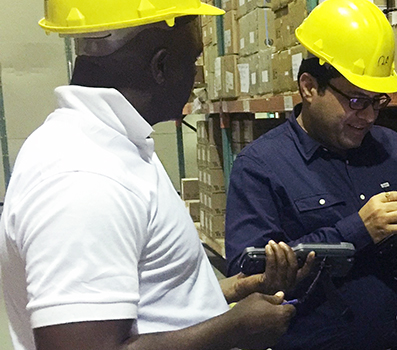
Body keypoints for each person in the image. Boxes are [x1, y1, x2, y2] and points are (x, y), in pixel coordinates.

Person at [0, 1, 312, 350]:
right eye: (194, 60)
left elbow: (141, 299)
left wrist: (230, 291)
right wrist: (234, 329)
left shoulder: (115, 147)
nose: (199, 77)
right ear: (161, 65)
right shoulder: (85, 178)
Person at [224, 0, 397, 348]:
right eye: (357, 100)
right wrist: (358, 230)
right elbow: (249, 274)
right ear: (309, 87)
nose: (370, 116)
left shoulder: (392, 148)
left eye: (378, 101)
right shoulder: (260, 166)